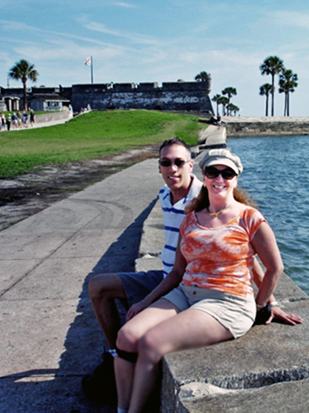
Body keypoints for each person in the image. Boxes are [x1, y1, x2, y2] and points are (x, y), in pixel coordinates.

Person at [114, 149, 302, 413]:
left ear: (236, 179)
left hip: (227, 302)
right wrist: (146, 301)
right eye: (213, 172)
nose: (220, 178)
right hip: (185, 292)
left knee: (151, 342)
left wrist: (263, 305)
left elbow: (273, 268)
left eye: (228, 173)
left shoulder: (250, 218)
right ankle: (122, 408)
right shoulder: (191, 218)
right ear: (205, 175)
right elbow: (178, 272)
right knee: (126, 336)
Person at [82, 137, 203, 402]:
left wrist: (269, 300)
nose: (172, 169)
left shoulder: (204, 201)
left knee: (136, 324)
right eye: (165, 163)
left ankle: (125, 370)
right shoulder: (163, 194)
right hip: (164, 275)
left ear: (190, 165)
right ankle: (116, 358)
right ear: (158, 167)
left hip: (184, 286)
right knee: (97, 286)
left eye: (179, 162)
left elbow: (244, 244)